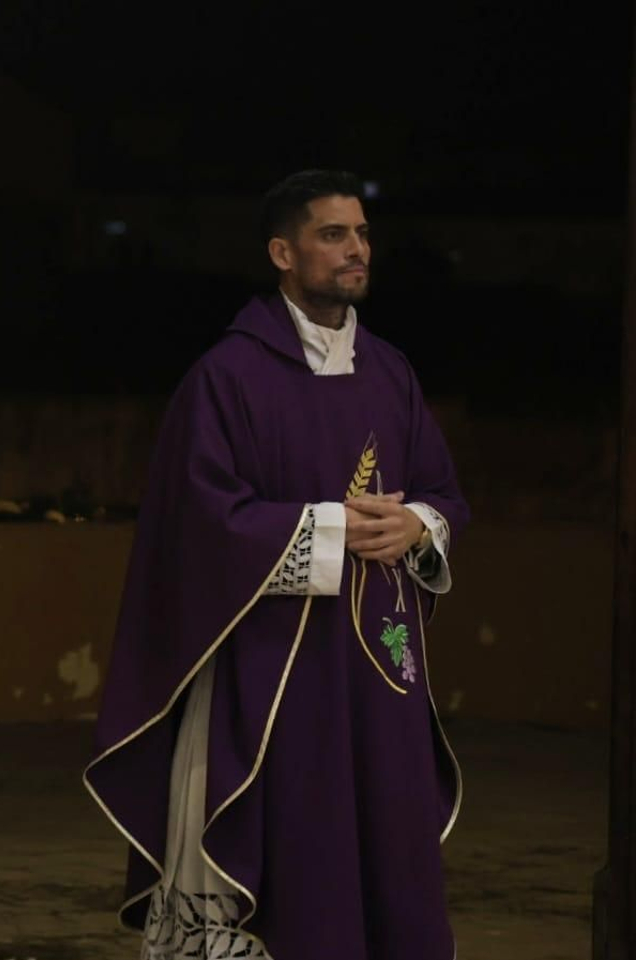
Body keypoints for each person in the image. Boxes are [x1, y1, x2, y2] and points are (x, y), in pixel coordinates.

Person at [84, 169, 468, 959]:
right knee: (299, 853)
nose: (356, 250)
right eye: (334, 235)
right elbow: (197, 523)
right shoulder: (227, 377)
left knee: (387, 850)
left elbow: (442, 493)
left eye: (361, 234)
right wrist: (334, 527)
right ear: (282, 253)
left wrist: (415, 525)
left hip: (379, 668)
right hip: (272, 672)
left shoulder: (390, 371)